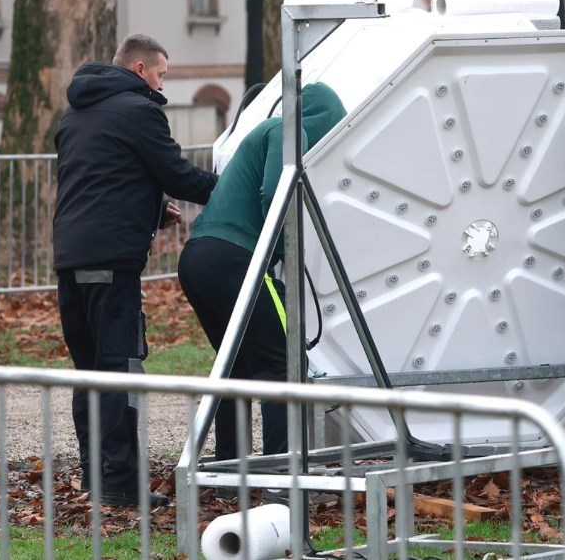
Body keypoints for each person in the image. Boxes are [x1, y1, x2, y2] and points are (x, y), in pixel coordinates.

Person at [53, 34, 218, 508]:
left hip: (71, 255)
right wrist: (234, 190)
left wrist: (151, 208)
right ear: (141, 67)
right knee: (119, 368)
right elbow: (177, 174)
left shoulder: (77, 112)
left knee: (89, 372)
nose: (163, 83)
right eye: (162, 73)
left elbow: (103, 177)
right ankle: (123, 483)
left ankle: (94, 477)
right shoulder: (139, 110)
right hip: (112, 260)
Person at [178, 82, 346, 463]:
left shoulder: (266, 131)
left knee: (234, 366)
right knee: (283, 363)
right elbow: (276, 195)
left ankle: (229, 472)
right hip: (235, 260)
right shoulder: (289, 131)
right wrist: (290, 249)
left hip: (198, 258)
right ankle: (280, 473)